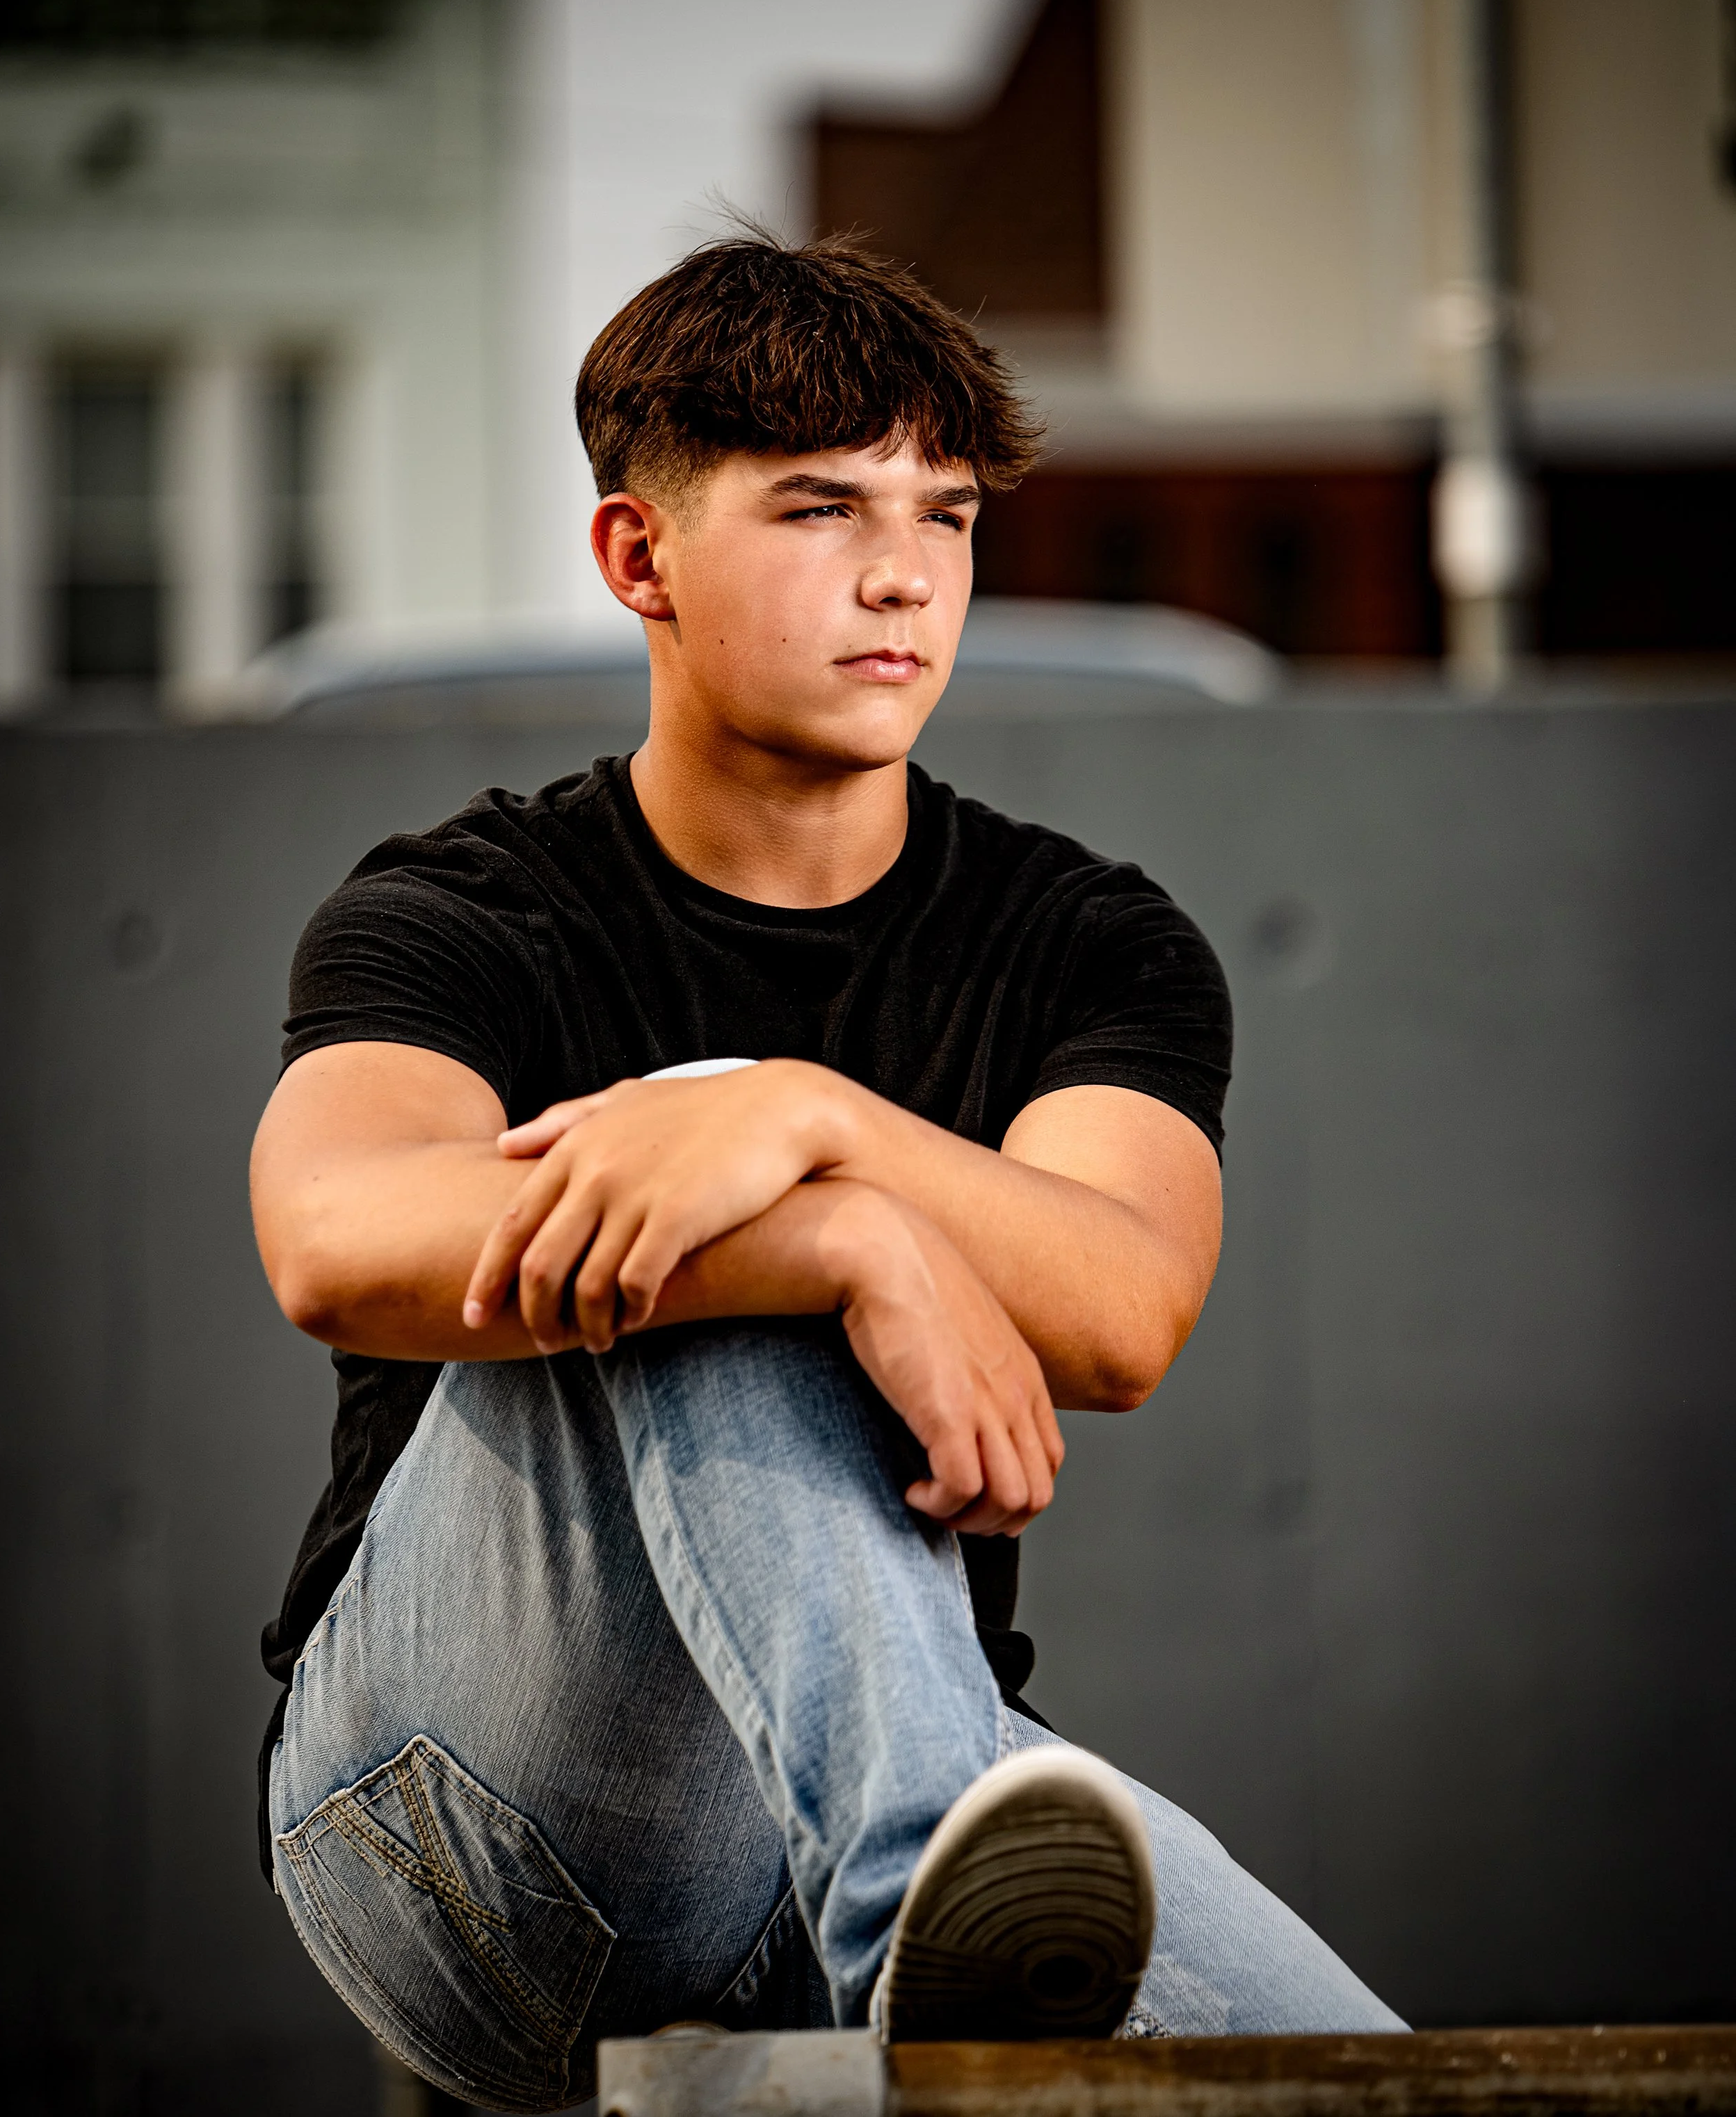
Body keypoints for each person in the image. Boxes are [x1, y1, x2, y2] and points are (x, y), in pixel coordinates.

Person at [251, 233, 1403, 2113]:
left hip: (865, 1807)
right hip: (457, 1825)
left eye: (942, 515)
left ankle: (926, 1912)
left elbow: (1119, 1310)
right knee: (694, 1161)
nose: (901, 575)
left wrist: (824, 1117)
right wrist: (838, 1225)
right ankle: (918, 1945)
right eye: (816, 508)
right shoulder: (465, 907)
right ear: (640, 560)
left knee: (1394, 2090)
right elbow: (333, 1237)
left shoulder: (1083, 937)